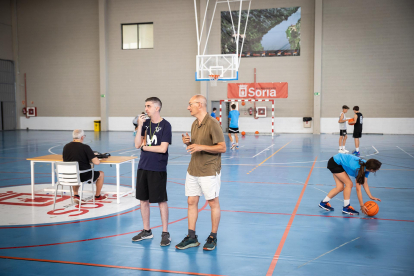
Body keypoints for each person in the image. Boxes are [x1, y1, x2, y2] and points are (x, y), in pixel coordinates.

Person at [176, 95, 226, 251]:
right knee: (191, 202)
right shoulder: (194, 124)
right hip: (193, 169)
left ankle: (213, 236)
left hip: (209, 169)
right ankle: (191, 237)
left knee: (212, 203)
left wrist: (200, 147)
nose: (188, 107)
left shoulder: (213, 123)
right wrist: (189, 143)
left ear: (199, 105)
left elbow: (222, 147)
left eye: (190, 104)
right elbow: (196, 146)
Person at [131, 97, 172, 247]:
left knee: (161, 201)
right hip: (143, 166)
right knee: (143, 200)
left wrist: (145, 147)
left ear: (157, 108)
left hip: (158, 168)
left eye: (148, 106)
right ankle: (147, 230)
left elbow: (163, 148)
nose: (146, 109)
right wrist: (140, 126)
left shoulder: (166, 125)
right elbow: (137, 144)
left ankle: (165, 233)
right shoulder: (145, 124)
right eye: (145, 106)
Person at [62, 129, 106, 202]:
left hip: (69, 175)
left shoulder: (66, 146)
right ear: (82, 137)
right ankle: (98, 196)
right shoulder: (85, 147)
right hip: (83, 175)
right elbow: (97, 162)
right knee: (101, 174)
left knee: (75, 171)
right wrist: (94, 156)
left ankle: (76, 195)